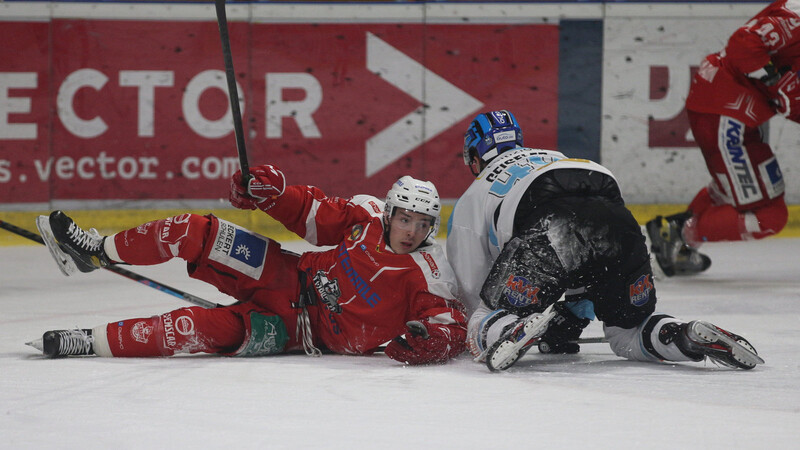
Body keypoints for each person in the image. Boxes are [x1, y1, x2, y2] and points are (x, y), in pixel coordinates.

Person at [28, 166, 467, 365]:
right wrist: (274, 195)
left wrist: (432, 343)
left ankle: (84, 342)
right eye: (405, 218)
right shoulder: (366, 216)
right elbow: (314, 214)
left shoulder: (429, 271)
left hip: (296, 329)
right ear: (390, 212)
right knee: (194, 229)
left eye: (422, 223)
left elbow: (451, 327)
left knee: (195, 328)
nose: (411, 230)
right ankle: (95, 250)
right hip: (286, 273)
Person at [447, 110, 764, 371]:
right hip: (620, 224)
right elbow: (592, 244)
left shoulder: (476, 193)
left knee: (484, 317)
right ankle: (682, 335)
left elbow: (473, 289)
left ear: (474, 156)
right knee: (627, 332)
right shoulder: (554, 157)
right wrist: (577, 308)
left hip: (550, 227)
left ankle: (512, 328)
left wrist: (498, 315)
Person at [647, 0, 793, 277]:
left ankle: (676, 238)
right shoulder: (795, 17)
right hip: (726, 115)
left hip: (732, 112)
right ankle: (678, 236)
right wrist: (772, 79)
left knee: (742, 189)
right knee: (770, 216)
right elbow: (744, 44)